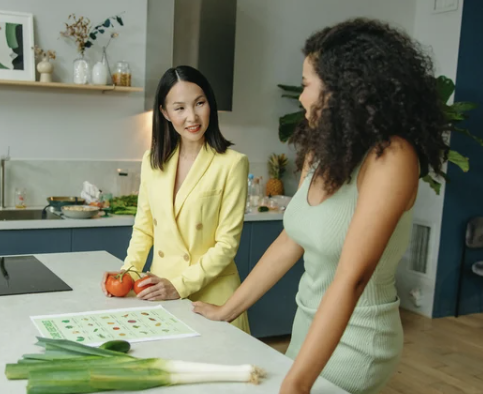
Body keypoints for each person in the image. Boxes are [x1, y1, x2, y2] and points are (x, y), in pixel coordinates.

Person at [192, 18, 449, 394]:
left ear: (342, 89)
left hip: (357, 342)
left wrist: (297, 383)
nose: (301, 96)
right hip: (308, 329)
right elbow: (291, 239)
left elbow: (352, 278)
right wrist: (227, 309)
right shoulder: (325, 149)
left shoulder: (392, 157)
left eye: (306, 84)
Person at [101, 65, 251, 332]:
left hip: (213, 296)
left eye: (199, 103)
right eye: (179, 108)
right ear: (165, 113)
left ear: (210, 104)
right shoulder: (152, 160)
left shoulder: (232, 164)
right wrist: (127, 274)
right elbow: (144, 228)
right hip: (160, 289)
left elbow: (227, 244)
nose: (192, 117)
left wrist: (179, 286)